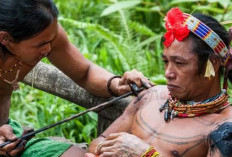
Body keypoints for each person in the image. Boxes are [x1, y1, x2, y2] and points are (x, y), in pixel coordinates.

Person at [0, 0, 153, 157]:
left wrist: (116, 84)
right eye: (41, 44)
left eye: (51, 41)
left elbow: (85, 72)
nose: (48, 49)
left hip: (8, 138)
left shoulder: (44, 32)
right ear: (5, 39)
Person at [87, 8, 232, 157]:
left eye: (179, 63)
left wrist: (146, 154)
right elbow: (99, 142)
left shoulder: (225, 127)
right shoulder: (150, 96)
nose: (168, 73)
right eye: (165, 61)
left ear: (213, 63)